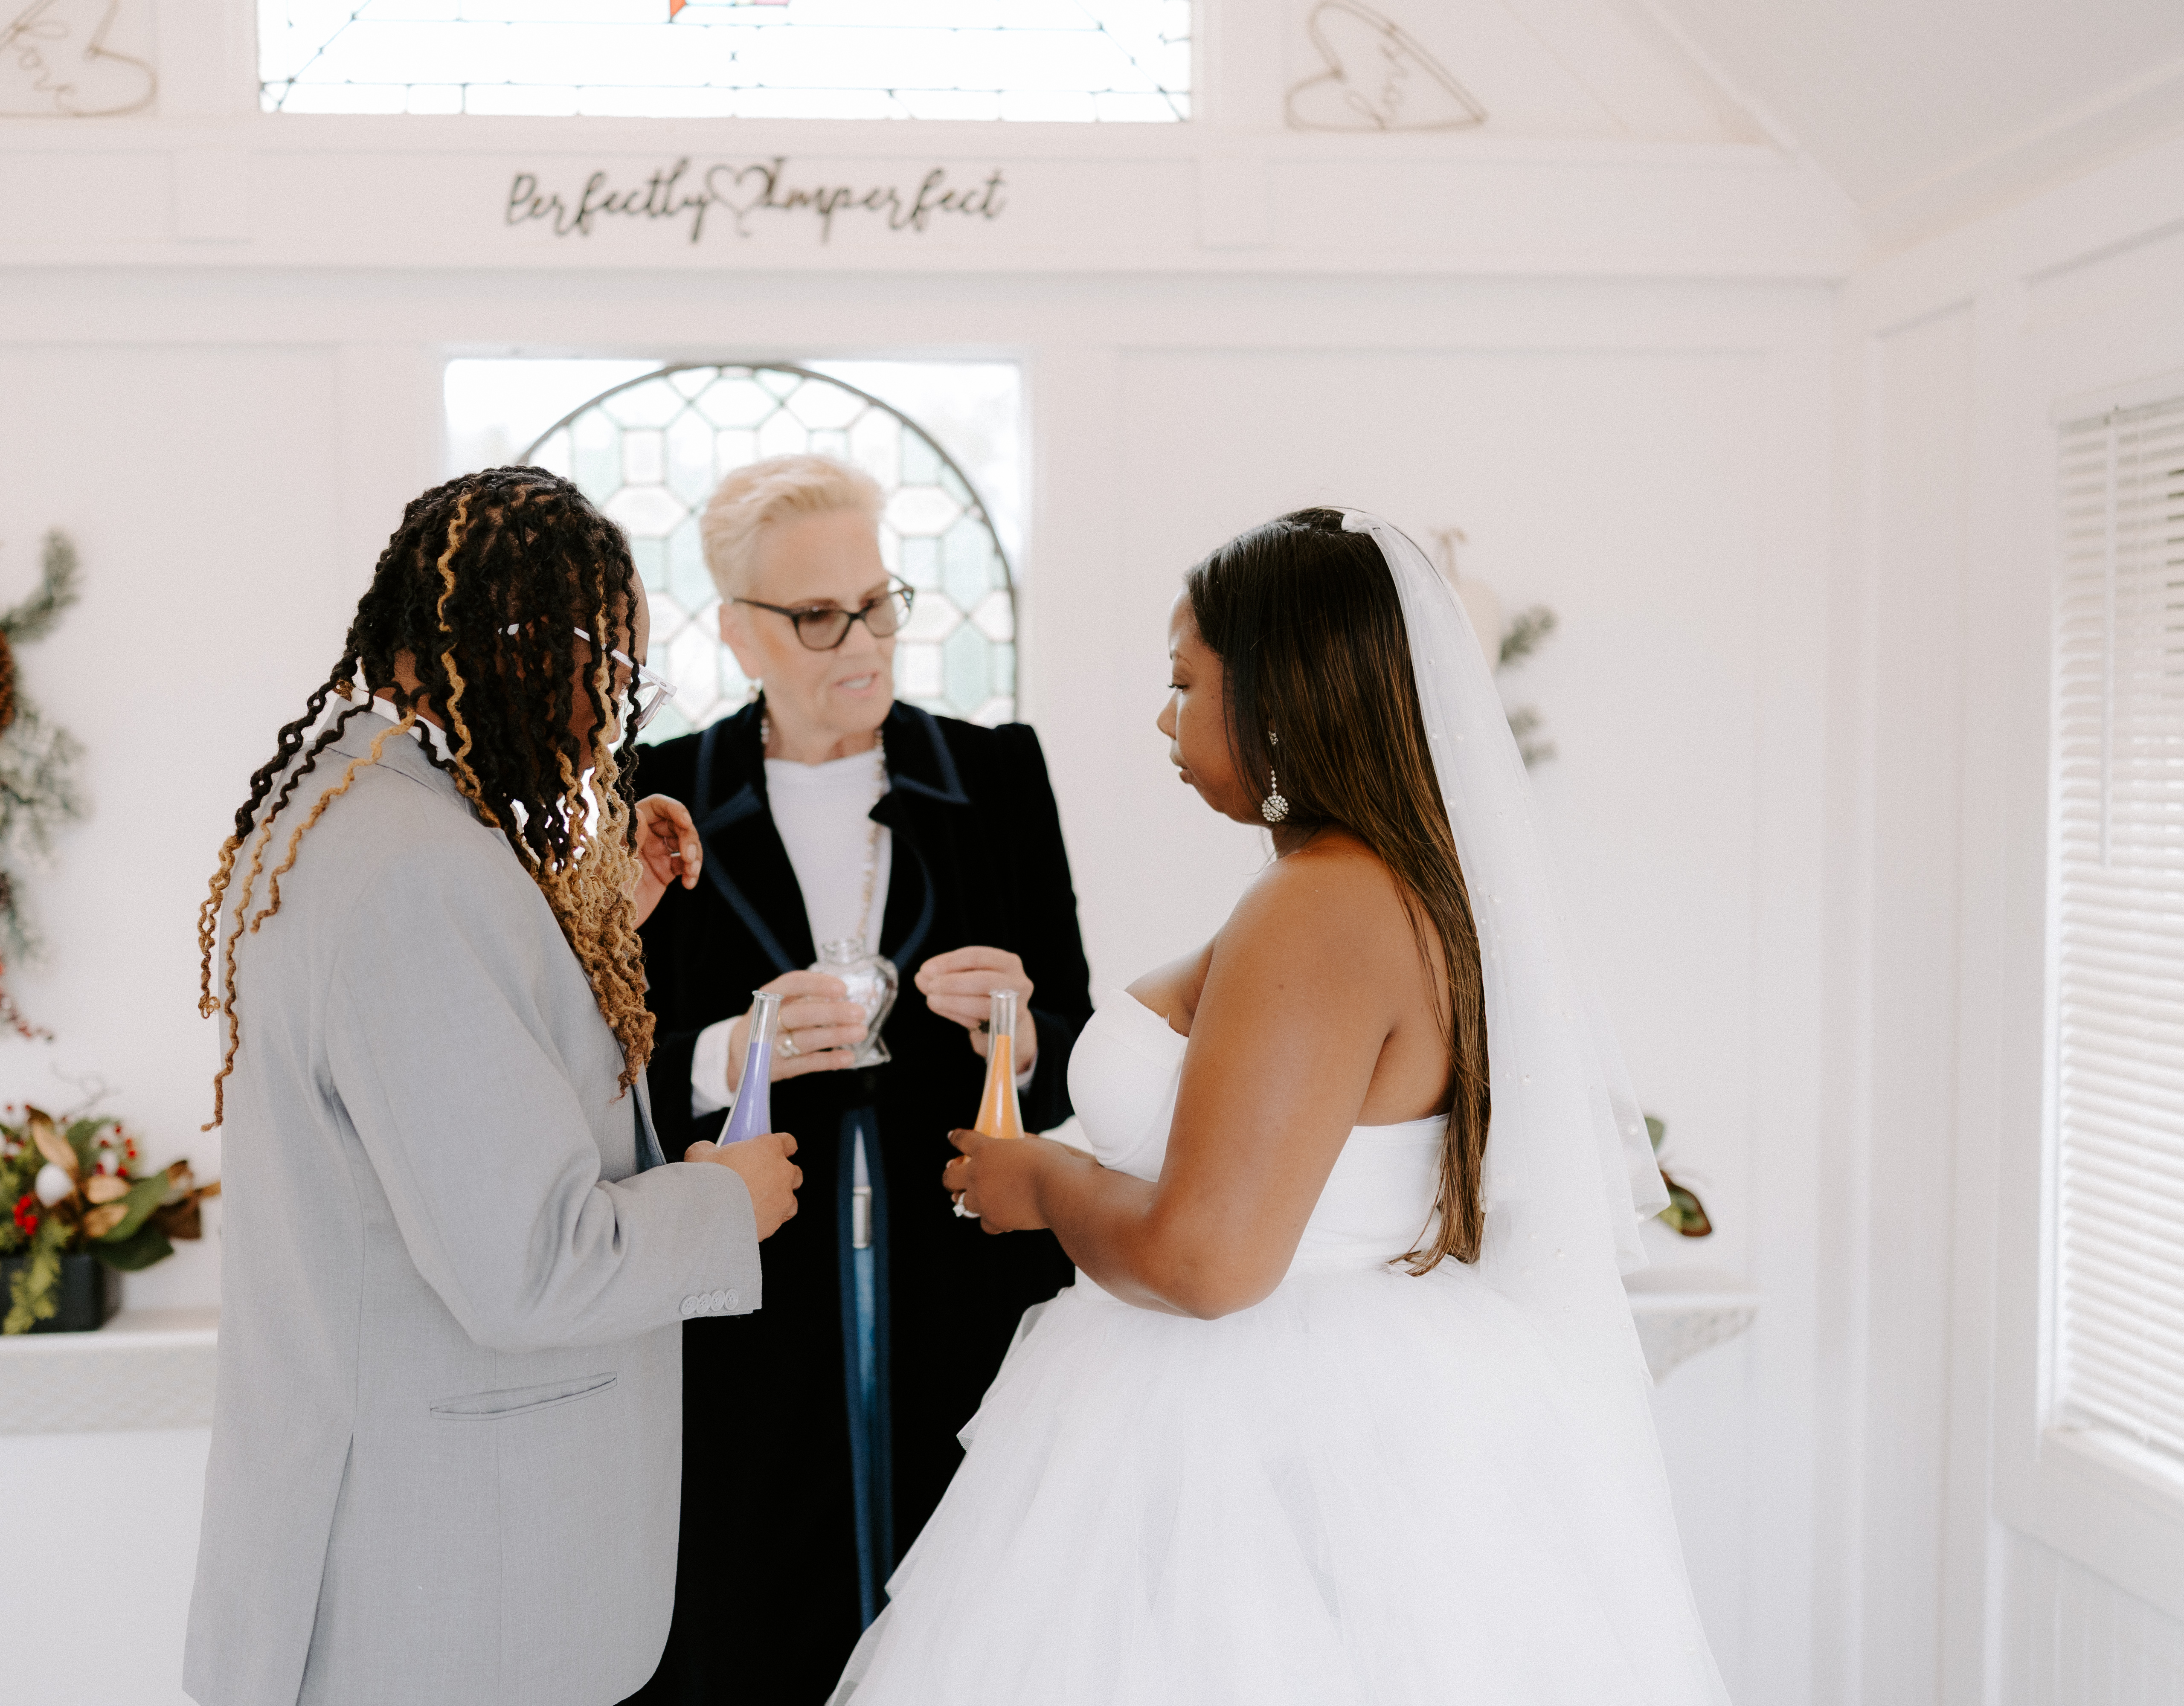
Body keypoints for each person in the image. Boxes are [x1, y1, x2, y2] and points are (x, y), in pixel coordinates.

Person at [833, 508, 1729, 1703]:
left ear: (1280, 693)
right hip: (1320, 1408)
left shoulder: (1324, 905)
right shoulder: (1373, 885)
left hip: (1259, 1430)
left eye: (1184, 680)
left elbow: (1209, 1259)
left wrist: (1039, 1184)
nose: (1164, 715)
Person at [181, 467, 804, 1706]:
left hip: (398, 1548)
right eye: (612, 667)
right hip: (447, 1589)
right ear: (525, 650)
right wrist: (727, 1200)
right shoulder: (415, 875)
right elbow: (532, 1263)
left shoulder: (341, 821)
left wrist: (602, 917)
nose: (614, 711)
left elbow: (455, 1095)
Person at [627, 454, 1092, 1704]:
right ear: (739, 632)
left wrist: (1024, 1028)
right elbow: (606, 1073)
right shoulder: (656, 796)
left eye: (880, 603)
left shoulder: (995, 777)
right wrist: (734, 1052)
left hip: (967, 1294)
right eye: (820, 615)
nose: (864, 641)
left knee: (976, 1626)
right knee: (755, 1637)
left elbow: (1074, 1032)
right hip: (746, 1325)